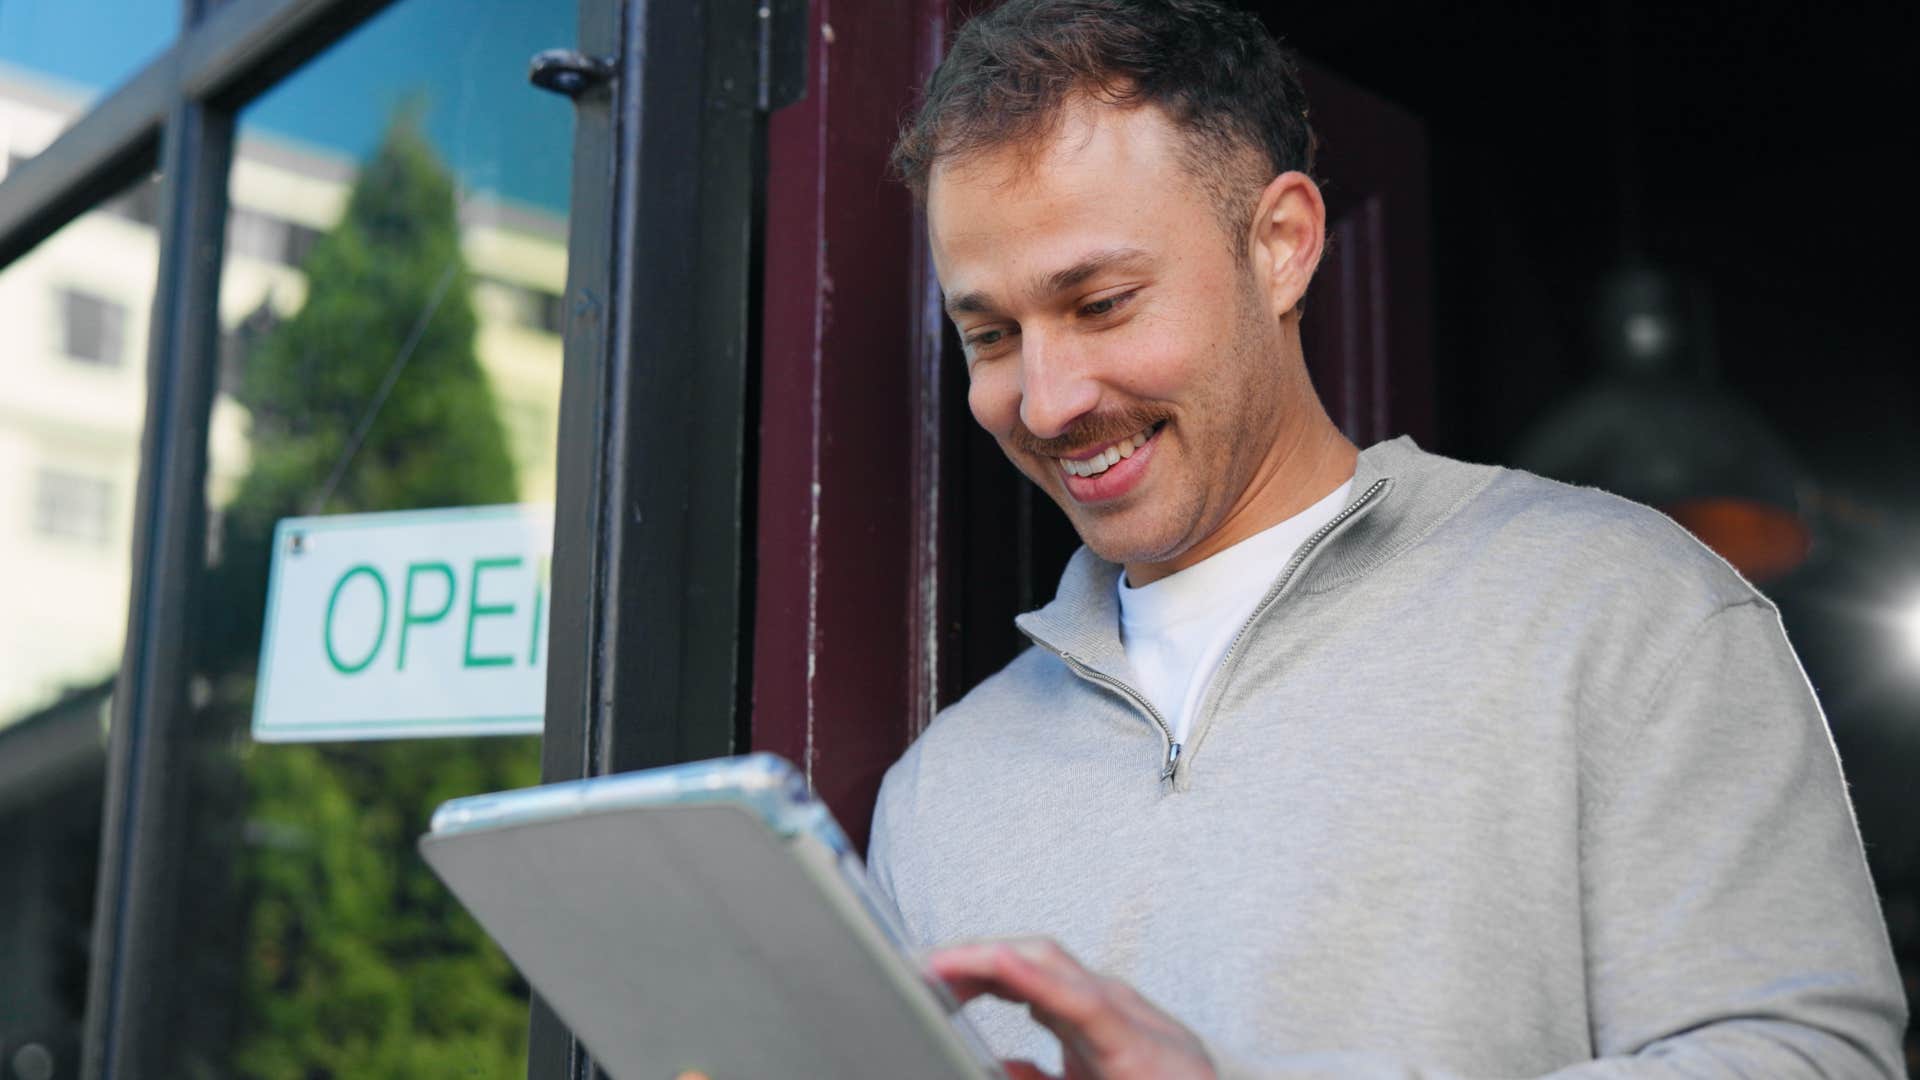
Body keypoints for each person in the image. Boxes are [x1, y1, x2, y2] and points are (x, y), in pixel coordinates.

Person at [866, 1, 1909, 1077]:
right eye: (991, 335)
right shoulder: (937, 798)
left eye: (1102, 303)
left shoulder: (1625, 608)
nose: (1045, 401)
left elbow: (1814, 1063)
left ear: (1281, 246)